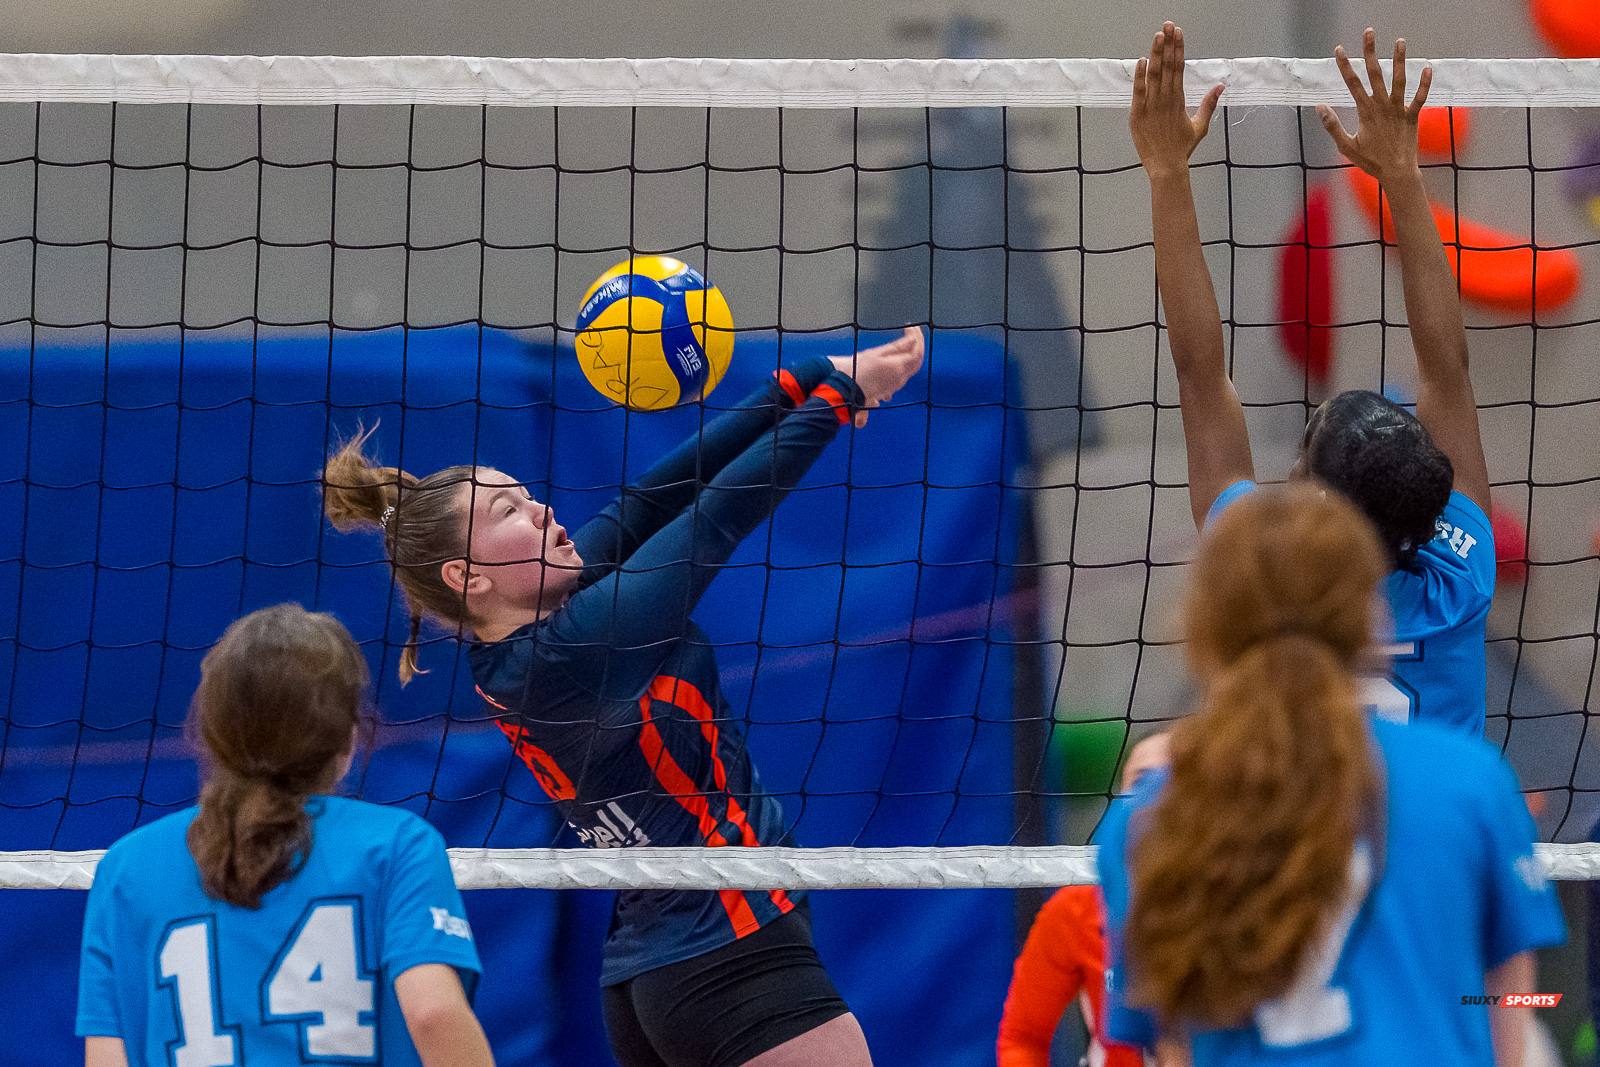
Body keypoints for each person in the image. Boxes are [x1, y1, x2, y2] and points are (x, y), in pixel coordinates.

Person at [321, 328, 925, 1067]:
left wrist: (809, 381)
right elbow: (716, 516)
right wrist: (839, 399)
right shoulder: (577, 648)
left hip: (665, 964)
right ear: (467, 578)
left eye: (527, 495)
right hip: (731, 955)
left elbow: (661, 493)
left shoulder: (538, 630)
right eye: (509, 512)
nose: (540, 510)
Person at [1093, 482, 1563, 1066]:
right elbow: (1505, 1000)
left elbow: (1171, 1042)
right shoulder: (1471, 781)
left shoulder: (1144, 818)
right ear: (1369, 616)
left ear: (1204, 623)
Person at [1133, 23, 1496, 734]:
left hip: (1308, 840)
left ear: (1322, 512)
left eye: (1300, 457)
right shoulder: (1464, 579)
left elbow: (1200, 377)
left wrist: (1166, 173)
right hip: (1424, 843)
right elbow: (1446, 371)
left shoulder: (1270, 583)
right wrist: (1404, 172)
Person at [76, 604, 491, 1067]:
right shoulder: (398, 845)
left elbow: (108, 1059)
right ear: (347, 738)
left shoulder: (127, 866)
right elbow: (433, 1013)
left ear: (212, 732)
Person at [997, 734, 1168, 1067]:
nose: (1158, 794)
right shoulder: (1075, 911)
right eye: (1144, 780)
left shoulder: (1253, 905)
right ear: (1120, 801)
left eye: (1178, 777)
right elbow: (1023, 1038)